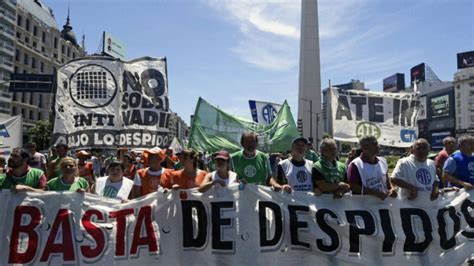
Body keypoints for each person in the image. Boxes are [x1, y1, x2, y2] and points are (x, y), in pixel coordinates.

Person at [348, 135, 397, 200]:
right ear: (364, 147)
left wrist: (392, 189)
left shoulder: (383, 161)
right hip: (365, 206)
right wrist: (375, 193)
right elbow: (353, 187)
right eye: (375, 144)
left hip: (384, 204)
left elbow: (387, 182)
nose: (378, 146)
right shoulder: (356, 164)